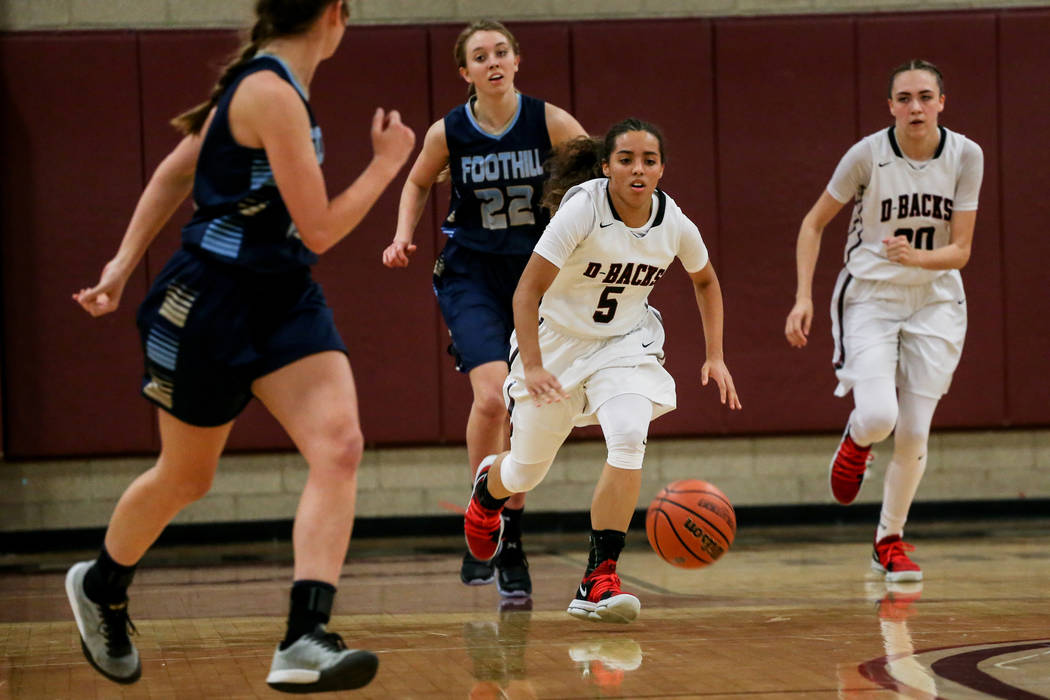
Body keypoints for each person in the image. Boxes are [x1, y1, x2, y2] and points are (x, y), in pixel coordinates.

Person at [65, 0, 415, 693]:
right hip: (209, 303)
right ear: (337, 13)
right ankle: (101, 585)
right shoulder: (267, 91)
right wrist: (385, 166)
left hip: (283, 298)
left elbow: (176, 167)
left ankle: (302, 637)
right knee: (187, 478)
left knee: (339, 445)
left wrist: (117, 263)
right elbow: (318, 229)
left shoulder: (268, 87)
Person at [462, 118, 742, 624]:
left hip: (622, 345)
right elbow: (526, 293)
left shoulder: (673, 222)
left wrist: (715, 354)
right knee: (527, 470)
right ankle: (488, 488)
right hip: (556, 347)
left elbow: (705, 281)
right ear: (607, 165)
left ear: (662, 168)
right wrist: (533, 367)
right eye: (627, 159)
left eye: (649, 160)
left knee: (630, 435)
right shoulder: (581, 211)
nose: (638, 169)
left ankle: (599, 578)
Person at [381, 20, 587, 597]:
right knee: (492, 397)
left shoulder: (550, 121)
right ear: (465, 72)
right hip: (471, 274)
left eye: (502, 52)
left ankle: (510, 537)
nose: (493, 61)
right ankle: (485, 510)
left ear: (517, 61)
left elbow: (597, 178)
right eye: (480, 56)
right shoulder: (448, 131)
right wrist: (402, 235)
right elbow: (417, 183)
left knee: (527, 414)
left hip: (537, 277)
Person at [784, 59, 983, 583]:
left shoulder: (966, 155)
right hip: (871, 295)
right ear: (890, 106)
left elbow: (961, 251)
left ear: (942, 102)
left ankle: (888, 542)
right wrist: (803, 296)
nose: (914, 107)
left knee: (915, 433)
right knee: (878, 417)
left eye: (924, 97)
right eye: (904, 98)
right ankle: (856, 438)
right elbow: (812, 224)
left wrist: (917, 259)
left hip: (936, 298)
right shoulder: (867, 156)